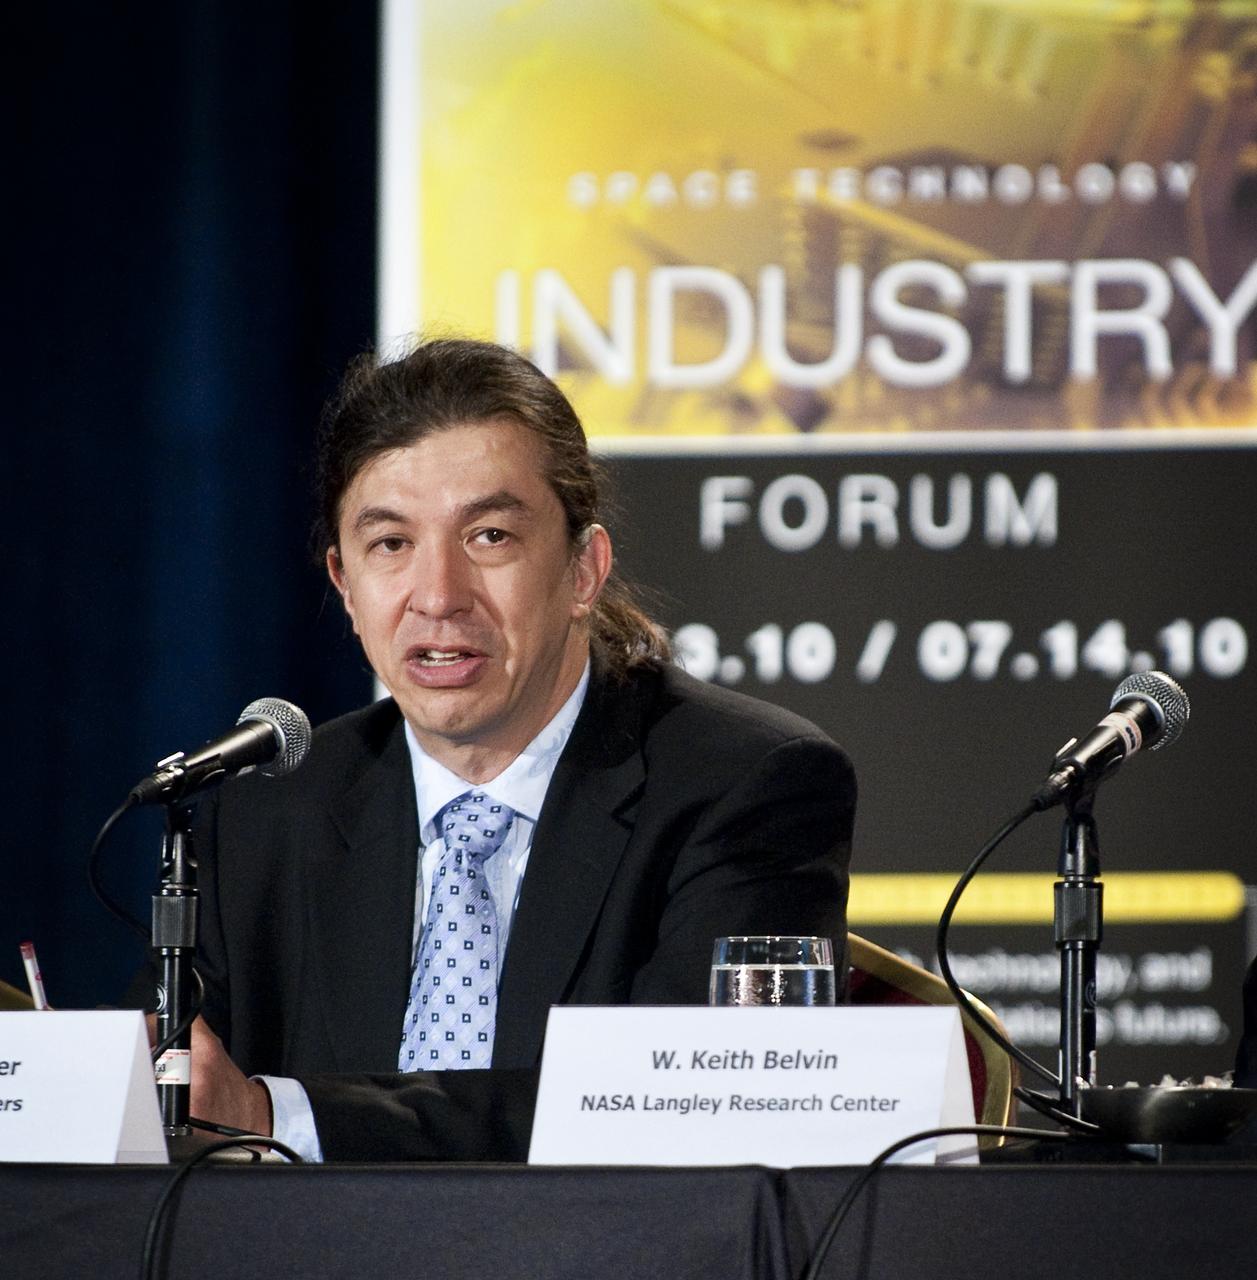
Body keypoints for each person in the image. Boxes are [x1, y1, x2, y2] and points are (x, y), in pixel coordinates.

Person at [186, 337, 855, 1159]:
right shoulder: (265, 810)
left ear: (583, 570)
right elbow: (179, 1106)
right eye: (391, 544)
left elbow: (688, 1111)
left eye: (491, 537)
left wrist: (279, 1117)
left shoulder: (745, 785)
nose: (438, 596)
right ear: (344, 585)